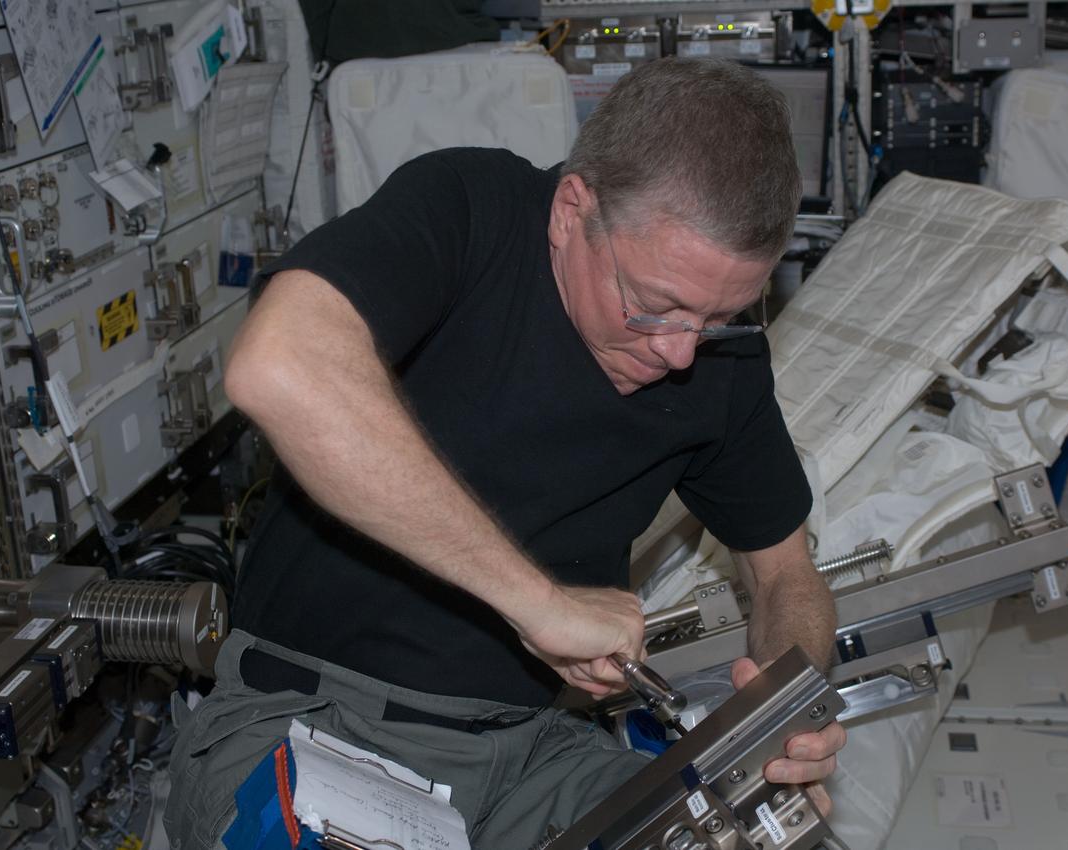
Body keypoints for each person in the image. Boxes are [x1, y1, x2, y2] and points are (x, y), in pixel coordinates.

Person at [165, 57, 844, 850]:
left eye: (720, 316)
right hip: (317, 723)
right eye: (654, 308)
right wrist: (540, 605)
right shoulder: (469, 212)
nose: (684, 352)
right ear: (571, 211)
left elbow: (786, 577)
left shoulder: (721, 363)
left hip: (529, 757)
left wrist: (789, 708)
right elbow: (277, 365)